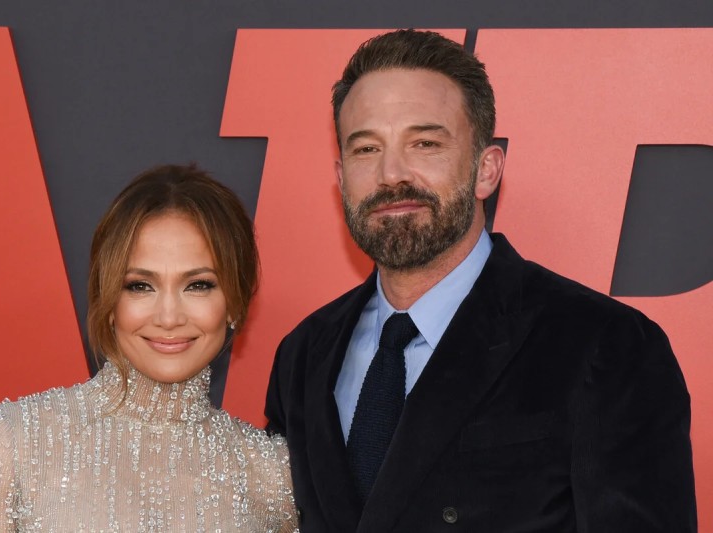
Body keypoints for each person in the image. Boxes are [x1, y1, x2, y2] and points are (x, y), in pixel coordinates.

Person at [265, 29, 696, 532]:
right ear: (341, 179)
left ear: (486, 170)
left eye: (425, 143)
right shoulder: (304, 355)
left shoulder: (604, 346)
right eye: (366, 149)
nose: (391, 174)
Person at [0, 164, 298, 532]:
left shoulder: (271, 472)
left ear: (234, 302)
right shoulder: (7, 442)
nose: (168, 317)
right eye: (140, 286)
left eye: (198, 285)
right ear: (108, 302)